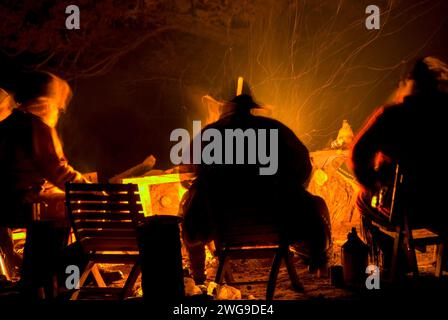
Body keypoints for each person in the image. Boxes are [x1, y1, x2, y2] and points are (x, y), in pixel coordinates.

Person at [181, 79, 331, 284]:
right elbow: (304, 167)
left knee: (188, 208)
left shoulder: (209, 134)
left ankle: (198, 276)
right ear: (250, 108)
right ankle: (320, 262)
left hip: (222, 226)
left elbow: (185, 174)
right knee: (317, 206)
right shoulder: (275, 129)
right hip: (278, 225)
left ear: (223, 107)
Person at [351, 56, 448, 271]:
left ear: (407, 84)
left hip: (405, 208)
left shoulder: (391, 116)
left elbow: (358, 153)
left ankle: (395, 256)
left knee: (361, 200)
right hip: (443, 206)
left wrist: (371, 183)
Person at [0, 71, 88, 298]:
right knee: (76, 209)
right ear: (46, 103)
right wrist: (87, 187)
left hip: (7, 199)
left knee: (58, 207)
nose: (58, 113)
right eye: (58, 107)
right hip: (24, 201)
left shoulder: (8, 124)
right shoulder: (36, 126)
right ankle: (54, 279)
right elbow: (57, 170)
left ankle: (37, 278)